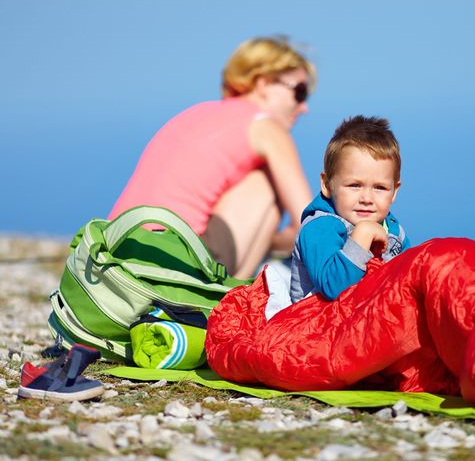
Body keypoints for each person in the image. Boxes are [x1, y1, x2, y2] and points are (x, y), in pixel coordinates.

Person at [109, 37, 314, 279]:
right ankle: (223, 302)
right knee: (267, 181)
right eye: (299, 92)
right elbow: (308, 223)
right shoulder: (266, 127)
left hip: (115, 252)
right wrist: (272, 241)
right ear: (263, 83)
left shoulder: (198, 112)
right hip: (172, 263)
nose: (304, 107)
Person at [289, 115, 410, 303]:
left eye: (380, 188)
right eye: (354, 185)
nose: (367, 198)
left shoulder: (395, 232)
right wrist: (362, 236)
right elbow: (333, 288)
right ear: (327, 185)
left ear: (394, 191)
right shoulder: (319, 227)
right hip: (316, 326)